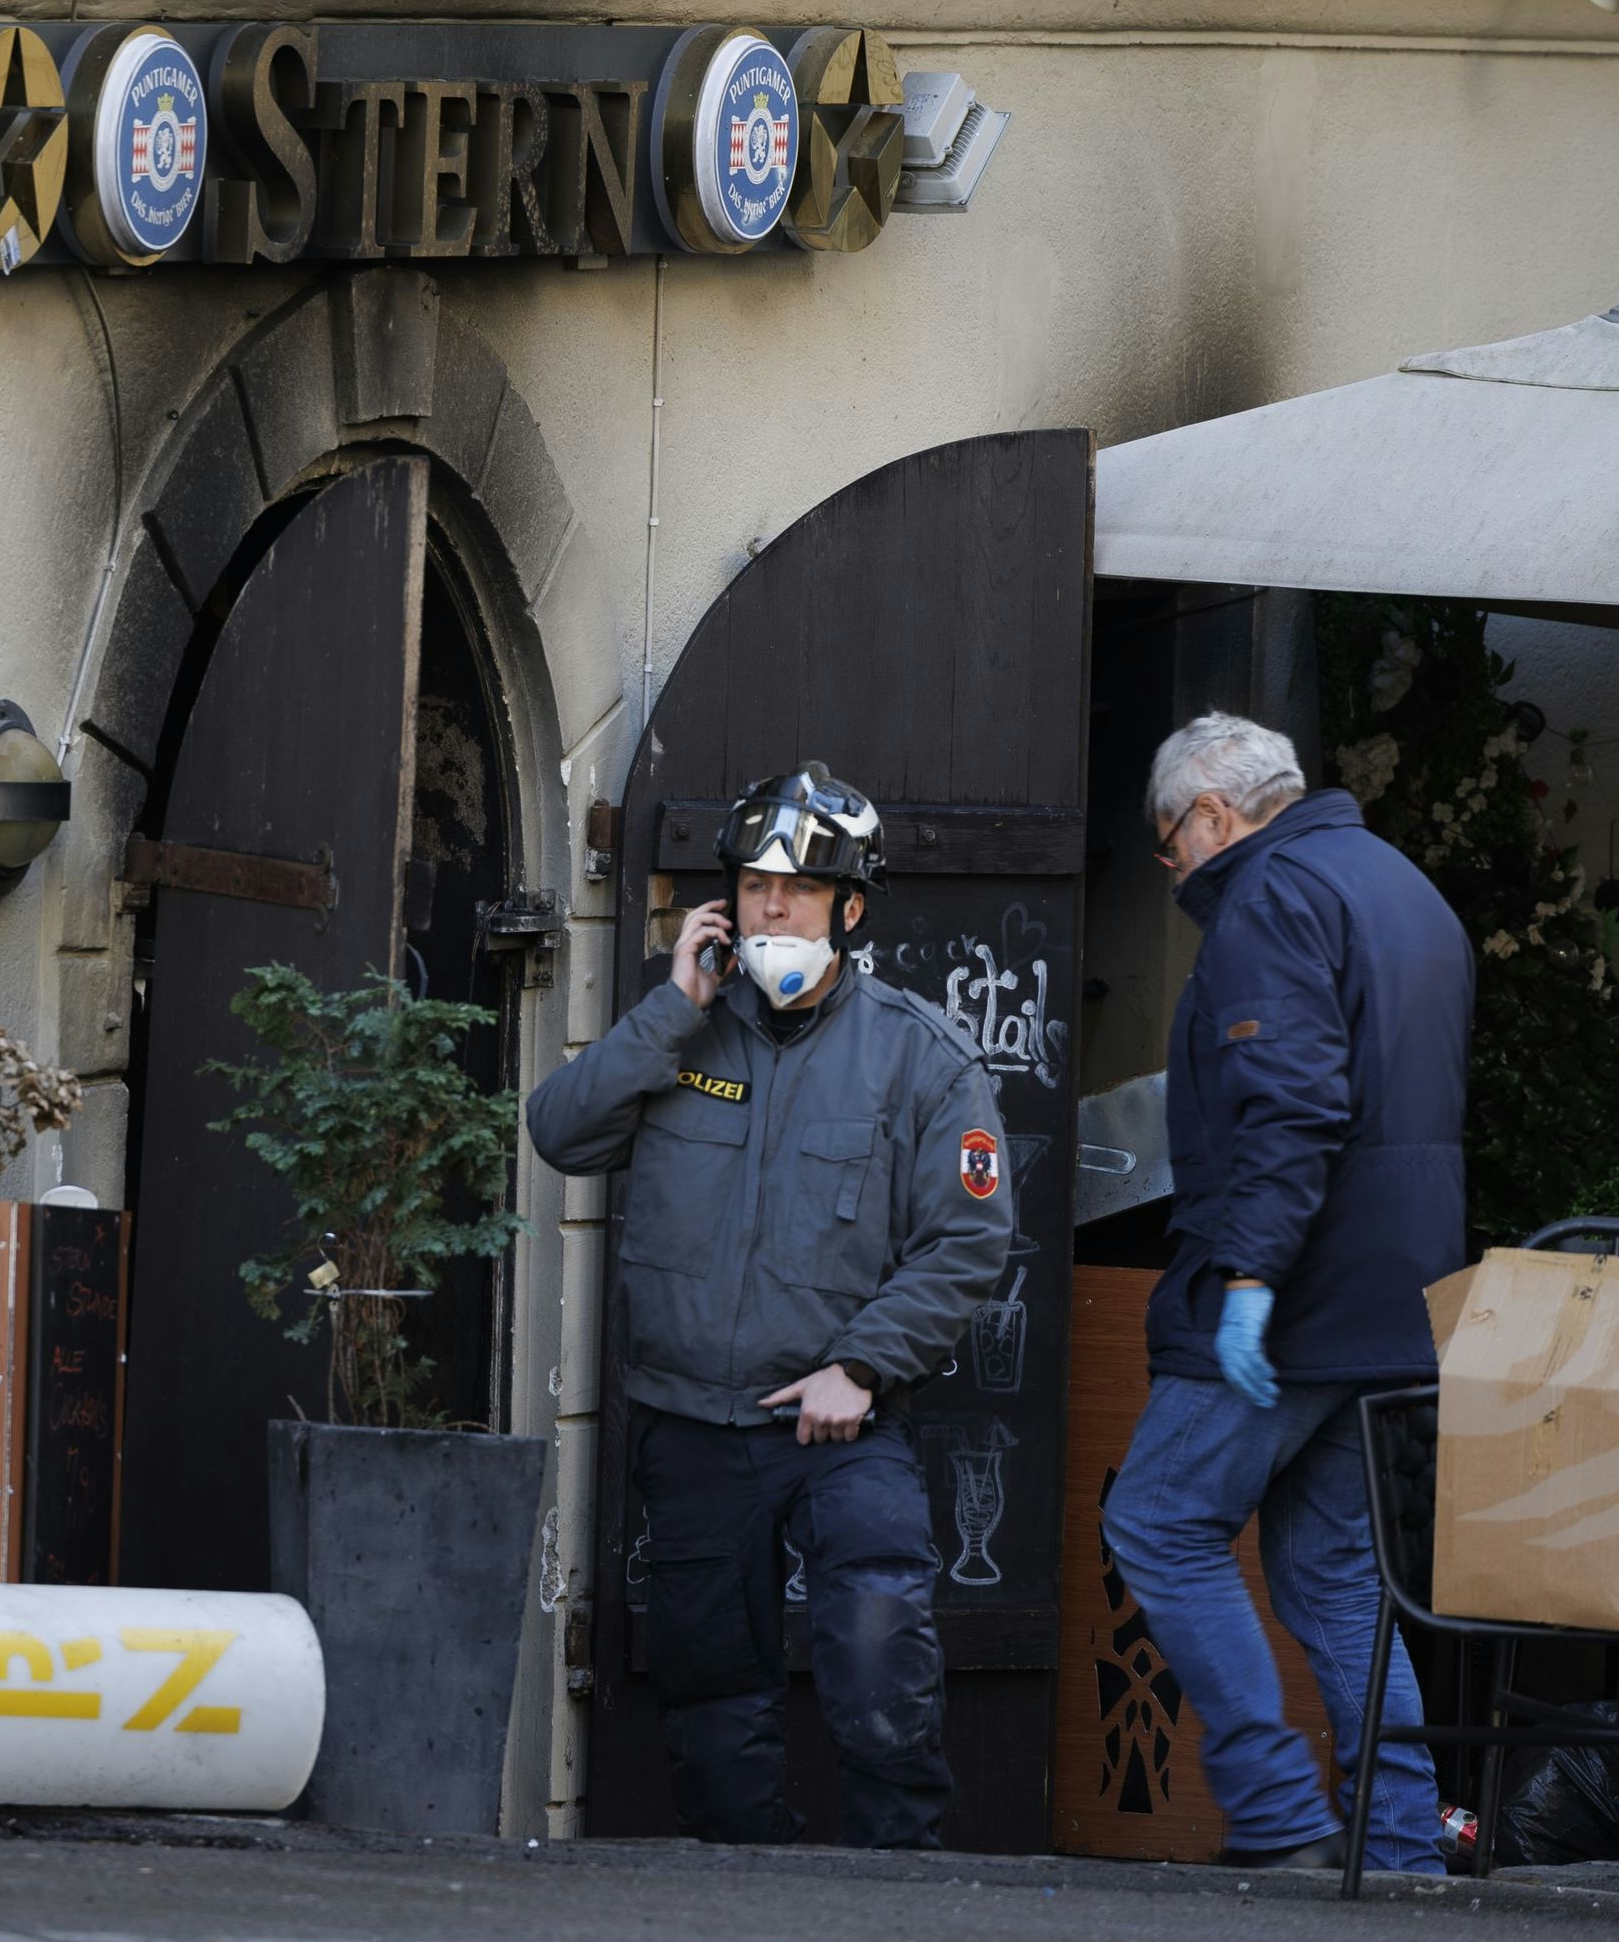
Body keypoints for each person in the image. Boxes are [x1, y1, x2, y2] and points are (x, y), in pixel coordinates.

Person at [525, 763, 1011, 1848]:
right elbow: (560, 1132)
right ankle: (743, 1906)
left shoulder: (920, 1057)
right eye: (752, 887)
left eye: (796, 890)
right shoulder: (679, 1034)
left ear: (851, 907)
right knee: (711, 1704)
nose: (770, 908)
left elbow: (968, 1236)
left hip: (841, 1419)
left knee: (879, 1655)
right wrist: (672, 1008)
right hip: (693, 1422)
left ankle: (901, 1892)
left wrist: (865, 1365)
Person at [1098, 712, 1470, 1872]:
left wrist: (1250, 1277)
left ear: (1212, 816)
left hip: (1299, 1299)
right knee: (1343, 1580)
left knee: (1157, 1520)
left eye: (1169, 846)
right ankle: (1401, 1846)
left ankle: (1274, 1812)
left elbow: (1295, 1111)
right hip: (1400, 1299)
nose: (1174, 873)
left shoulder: (1268, 897)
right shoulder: (1402, 886)